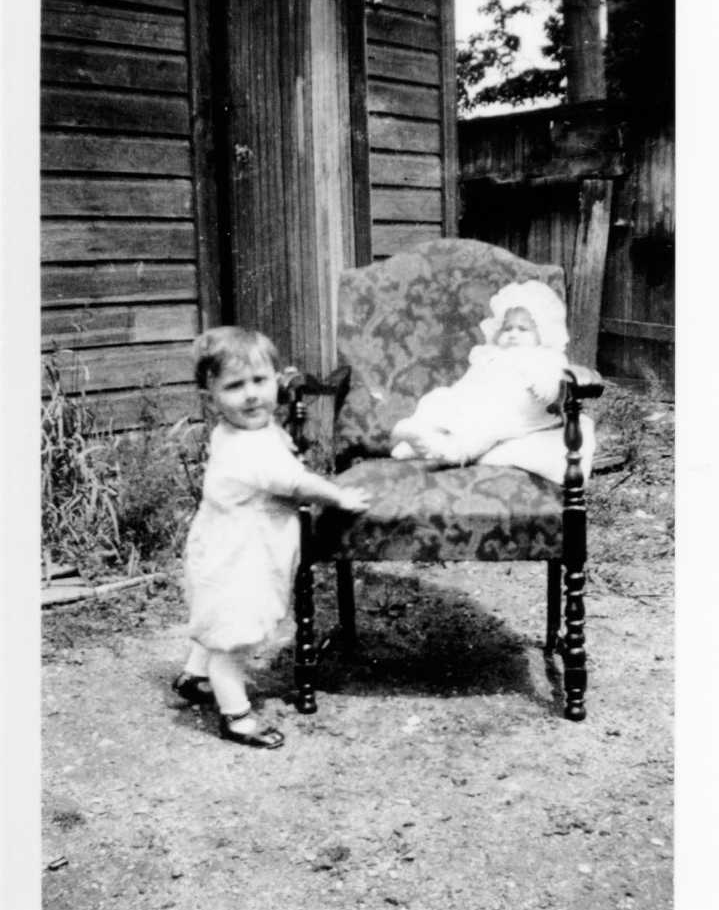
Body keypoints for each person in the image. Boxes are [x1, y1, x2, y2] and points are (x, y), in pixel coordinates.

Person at [173, 327, 370, 749]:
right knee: (234, 636)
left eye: (259, 381)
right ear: (210, 399)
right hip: (239, 559)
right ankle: (237, 716)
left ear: (276, 381)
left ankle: (196, 674)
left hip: (223, 547)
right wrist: (340, 496)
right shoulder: (248, 449)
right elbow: (297, 482)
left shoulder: (237, 430)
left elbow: (269, 426)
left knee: (220, 620)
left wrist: (282, 386)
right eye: (234, 386)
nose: (251, 395)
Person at [389, 280, 580, 475]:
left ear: (543, 333)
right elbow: (470, 380)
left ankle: (451, 453)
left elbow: (553, 380)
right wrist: (457, 396)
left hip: (513, 414)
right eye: (507, 328)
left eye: (523, 329)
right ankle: (420, 434)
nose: (513, 334)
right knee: (439, 398)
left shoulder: (543, 357)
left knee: (484, 430)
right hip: (479, 403)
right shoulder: (491, 355)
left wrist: (545, 387)